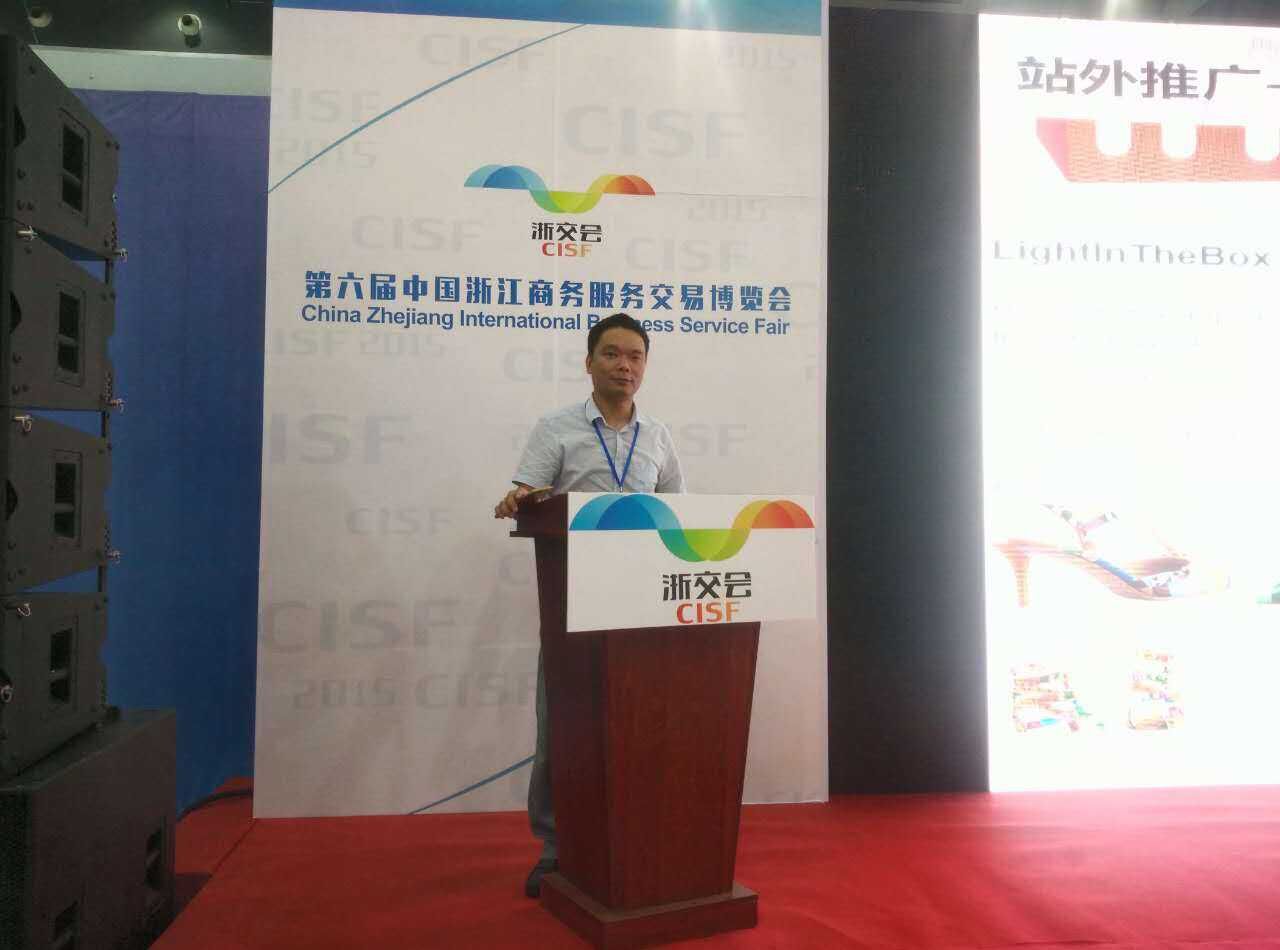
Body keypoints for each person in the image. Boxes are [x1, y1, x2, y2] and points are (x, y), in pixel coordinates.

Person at [494, 312, 685, 897]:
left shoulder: (658, 437)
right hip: (573, 601)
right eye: (612, 354)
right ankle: (556, 849)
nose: (624, 366)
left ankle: (640, 836)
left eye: (635, 356)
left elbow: (675, 514)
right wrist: (520, 499)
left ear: (645, 367)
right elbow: (528, 495)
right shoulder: (556, 428)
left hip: (642, 602)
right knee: (563, 729)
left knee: (643, 725)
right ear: (589, 362)